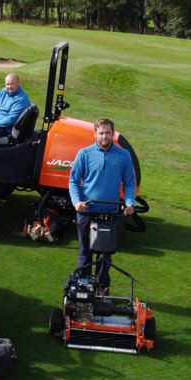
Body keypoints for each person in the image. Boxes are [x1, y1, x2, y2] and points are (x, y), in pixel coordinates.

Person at [68, 118, 136, 294]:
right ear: (95, 134)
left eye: (108, 133)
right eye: (101, 133)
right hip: (87, 211)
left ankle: (102, 287)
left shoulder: (124, 156)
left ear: (113, 133)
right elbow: (73, 181)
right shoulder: (84, 154)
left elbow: (129, 183)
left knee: (105, 255)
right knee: (85, 253)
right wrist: (76, 202)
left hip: (110, 213)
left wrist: (129, 203)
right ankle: (83, 287)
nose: (105, 136)